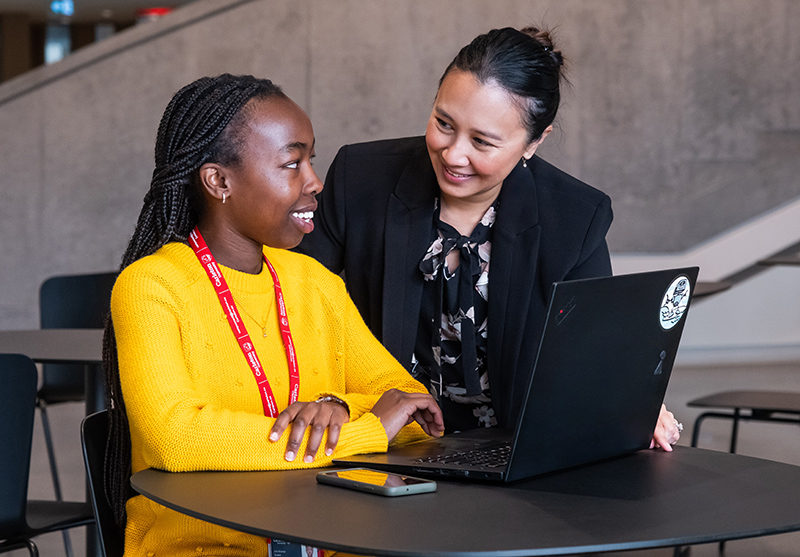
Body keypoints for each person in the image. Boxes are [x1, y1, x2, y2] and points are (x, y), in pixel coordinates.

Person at [102, 74, 444, 557]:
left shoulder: (315, 281)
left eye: (311, 160)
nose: (315, 182)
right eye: (291, 163)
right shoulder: (151, 286)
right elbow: (175, 439)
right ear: (219, 180)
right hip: (206, 547)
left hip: (328, 538)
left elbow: (414, 408)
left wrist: (338, 406)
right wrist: (362, 430)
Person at [297, 27, 682, 447]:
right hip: (384, 438)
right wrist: (330, 398)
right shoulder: (362, 177)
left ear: (535, 142)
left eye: (482, 141)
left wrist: (628, 400)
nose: (453, 154)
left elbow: (595, 350)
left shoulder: (575, 217)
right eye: (443, 123)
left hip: (514, 447)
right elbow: (302, 303)